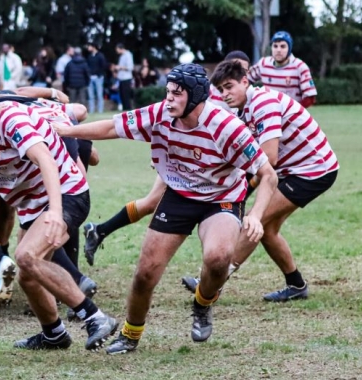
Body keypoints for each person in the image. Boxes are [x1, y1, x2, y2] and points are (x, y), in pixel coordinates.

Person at [55, 63, 278, 354]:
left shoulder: (226, 127)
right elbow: (112, 126)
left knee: (219, 258)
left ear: (196, 96)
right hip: (180, 194)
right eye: (168, 92)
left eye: (177, 93)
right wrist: (67, 130)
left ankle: (202, 303)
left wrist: (257, 216)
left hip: (221, 198)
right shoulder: (160, 113)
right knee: (145, 273)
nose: (169, 99)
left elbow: (268, 173)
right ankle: (130, 333)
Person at [0, 72, 118, 352]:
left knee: (26, 256)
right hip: (33, 202)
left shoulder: (10, 118)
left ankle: (95, 318)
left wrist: (56, 212)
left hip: (67, 193)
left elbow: (45, 159)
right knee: (27, 275)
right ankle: (54, 334)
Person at [180, 60, 339, 301]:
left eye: (230, 86)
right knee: (267, 230)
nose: (225, 94)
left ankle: (213, 280)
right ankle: (296, 286)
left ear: (246, 81)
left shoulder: (263, 103)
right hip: (295, 170)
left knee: (256, 220)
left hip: (314, 170)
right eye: (221, 89)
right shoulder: (242, 110)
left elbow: (269, 158)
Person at [82, 50, 253, 266]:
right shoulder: (209, 92)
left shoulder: (242, 97)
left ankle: (99, 230)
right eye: (232, 67)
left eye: (242, 69)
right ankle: (99, 231)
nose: (236, 74)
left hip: (204, 163)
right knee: (152, 202)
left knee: (150, 203)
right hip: (188, 161)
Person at [248, 31, 317, 107]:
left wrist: (296, 112)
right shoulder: (263, 63)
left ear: (289, 48)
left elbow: (310, 97)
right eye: (275, 46)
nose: (278, 50)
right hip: (268, 113)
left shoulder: (300, 67)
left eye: (282, 46)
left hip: (291, 115)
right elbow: (244, 81)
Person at [86, 43, 107, 114]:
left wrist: (99, 74)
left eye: (89, 46)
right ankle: (91, 111)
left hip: (98, 78)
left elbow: (104, 66)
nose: (88, 48)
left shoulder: (100, 56)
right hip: (90, 78)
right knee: (91, 96)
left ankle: (100, 111)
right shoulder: (89, 56)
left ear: (93, 47)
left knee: (99, 95)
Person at [114, 43, 134, 110]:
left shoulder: (128, 55)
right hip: (121, 78)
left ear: (121, 48)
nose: (116, 51)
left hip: (126, 78)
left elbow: (130, 67)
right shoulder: (121, 56)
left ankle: (128, 110)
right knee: (122, 95)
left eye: (117, 49)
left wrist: (120, 67)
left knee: (126, 96)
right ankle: (124, 110)